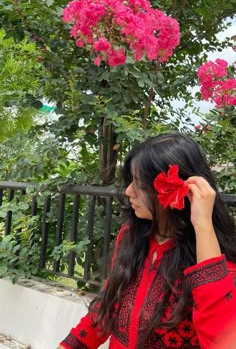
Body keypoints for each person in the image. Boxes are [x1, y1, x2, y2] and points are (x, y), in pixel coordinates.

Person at [57, 133, 236, 349]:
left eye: (139, 184)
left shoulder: (216, 259)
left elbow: (221, 339)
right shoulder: (131, 235)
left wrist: (202, 224)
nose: (128, 191)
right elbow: (108, 307)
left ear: (175, 189)